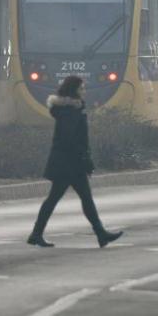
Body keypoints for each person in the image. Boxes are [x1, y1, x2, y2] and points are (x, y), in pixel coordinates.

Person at [27, 76, 122, 249]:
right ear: (74, 90)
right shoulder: (71, 112)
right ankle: (100, 234)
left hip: (67, 162)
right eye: (82, 89)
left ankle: (37, 234)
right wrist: (83, 159)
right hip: (70, 164)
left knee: (63, 199)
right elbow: (70, 138)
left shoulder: (69, 110)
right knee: (78, 199)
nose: (84, 91)